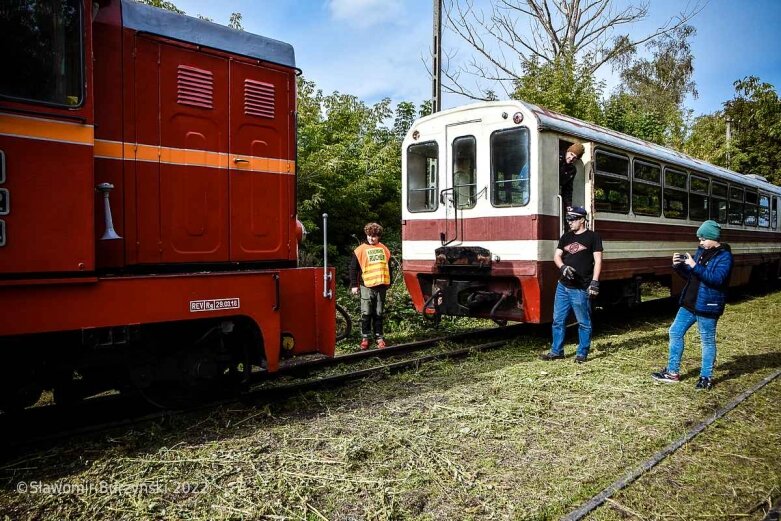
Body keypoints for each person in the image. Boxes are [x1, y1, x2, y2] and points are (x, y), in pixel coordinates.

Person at [652, 220, 733, 390]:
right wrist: (679, 267)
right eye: (699, 238)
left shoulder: (724, 256)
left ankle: (705, 377)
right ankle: (672, 372)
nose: (700, 242)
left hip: (708, 306)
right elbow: (692, 276)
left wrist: (694, 265)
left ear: (713, 238)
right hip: (689, 302)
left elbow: (716, 279)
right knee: (675, 332)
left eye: (703, 238)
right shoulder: (702, 251)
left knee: (707, 341)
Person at [540, 206, 603, 363]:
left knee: (583, 322)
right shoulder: (566, 237)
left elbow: (598, 261)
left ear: (582, 220)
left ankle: (582, 353)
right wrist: (563, 267)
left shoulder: (593, 237)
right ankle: (556, 351)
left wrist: (595, 281)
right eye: (568, 219)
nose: (569, 222)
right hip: (563, 286)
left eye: (573, 219)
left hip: (581, 288)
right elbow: (557, 256)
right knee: (558, 320)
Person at [350, 222, 393, 350]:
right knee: (366, 313)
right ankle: (365, 338)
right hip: (366, 286)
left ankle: (379, 337)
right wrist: (354, 285)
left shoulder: (384, 249)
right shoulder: (360, 250)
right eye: (369, 235)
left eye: (373, 236)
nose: (371, 238)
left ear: (378, 236)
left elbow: (389, 267)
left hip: (381, 286)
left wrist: (389, 282)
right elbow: (353, 269)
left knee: (379, 313)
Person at [560, 143, 585, 209]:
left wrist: (568, 206)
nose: (571, 158)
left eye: (574, 158)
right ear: (568, 151)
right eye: (571, 154)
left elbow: (568, 189)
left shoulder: (572, 170)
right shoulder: (556, 158)